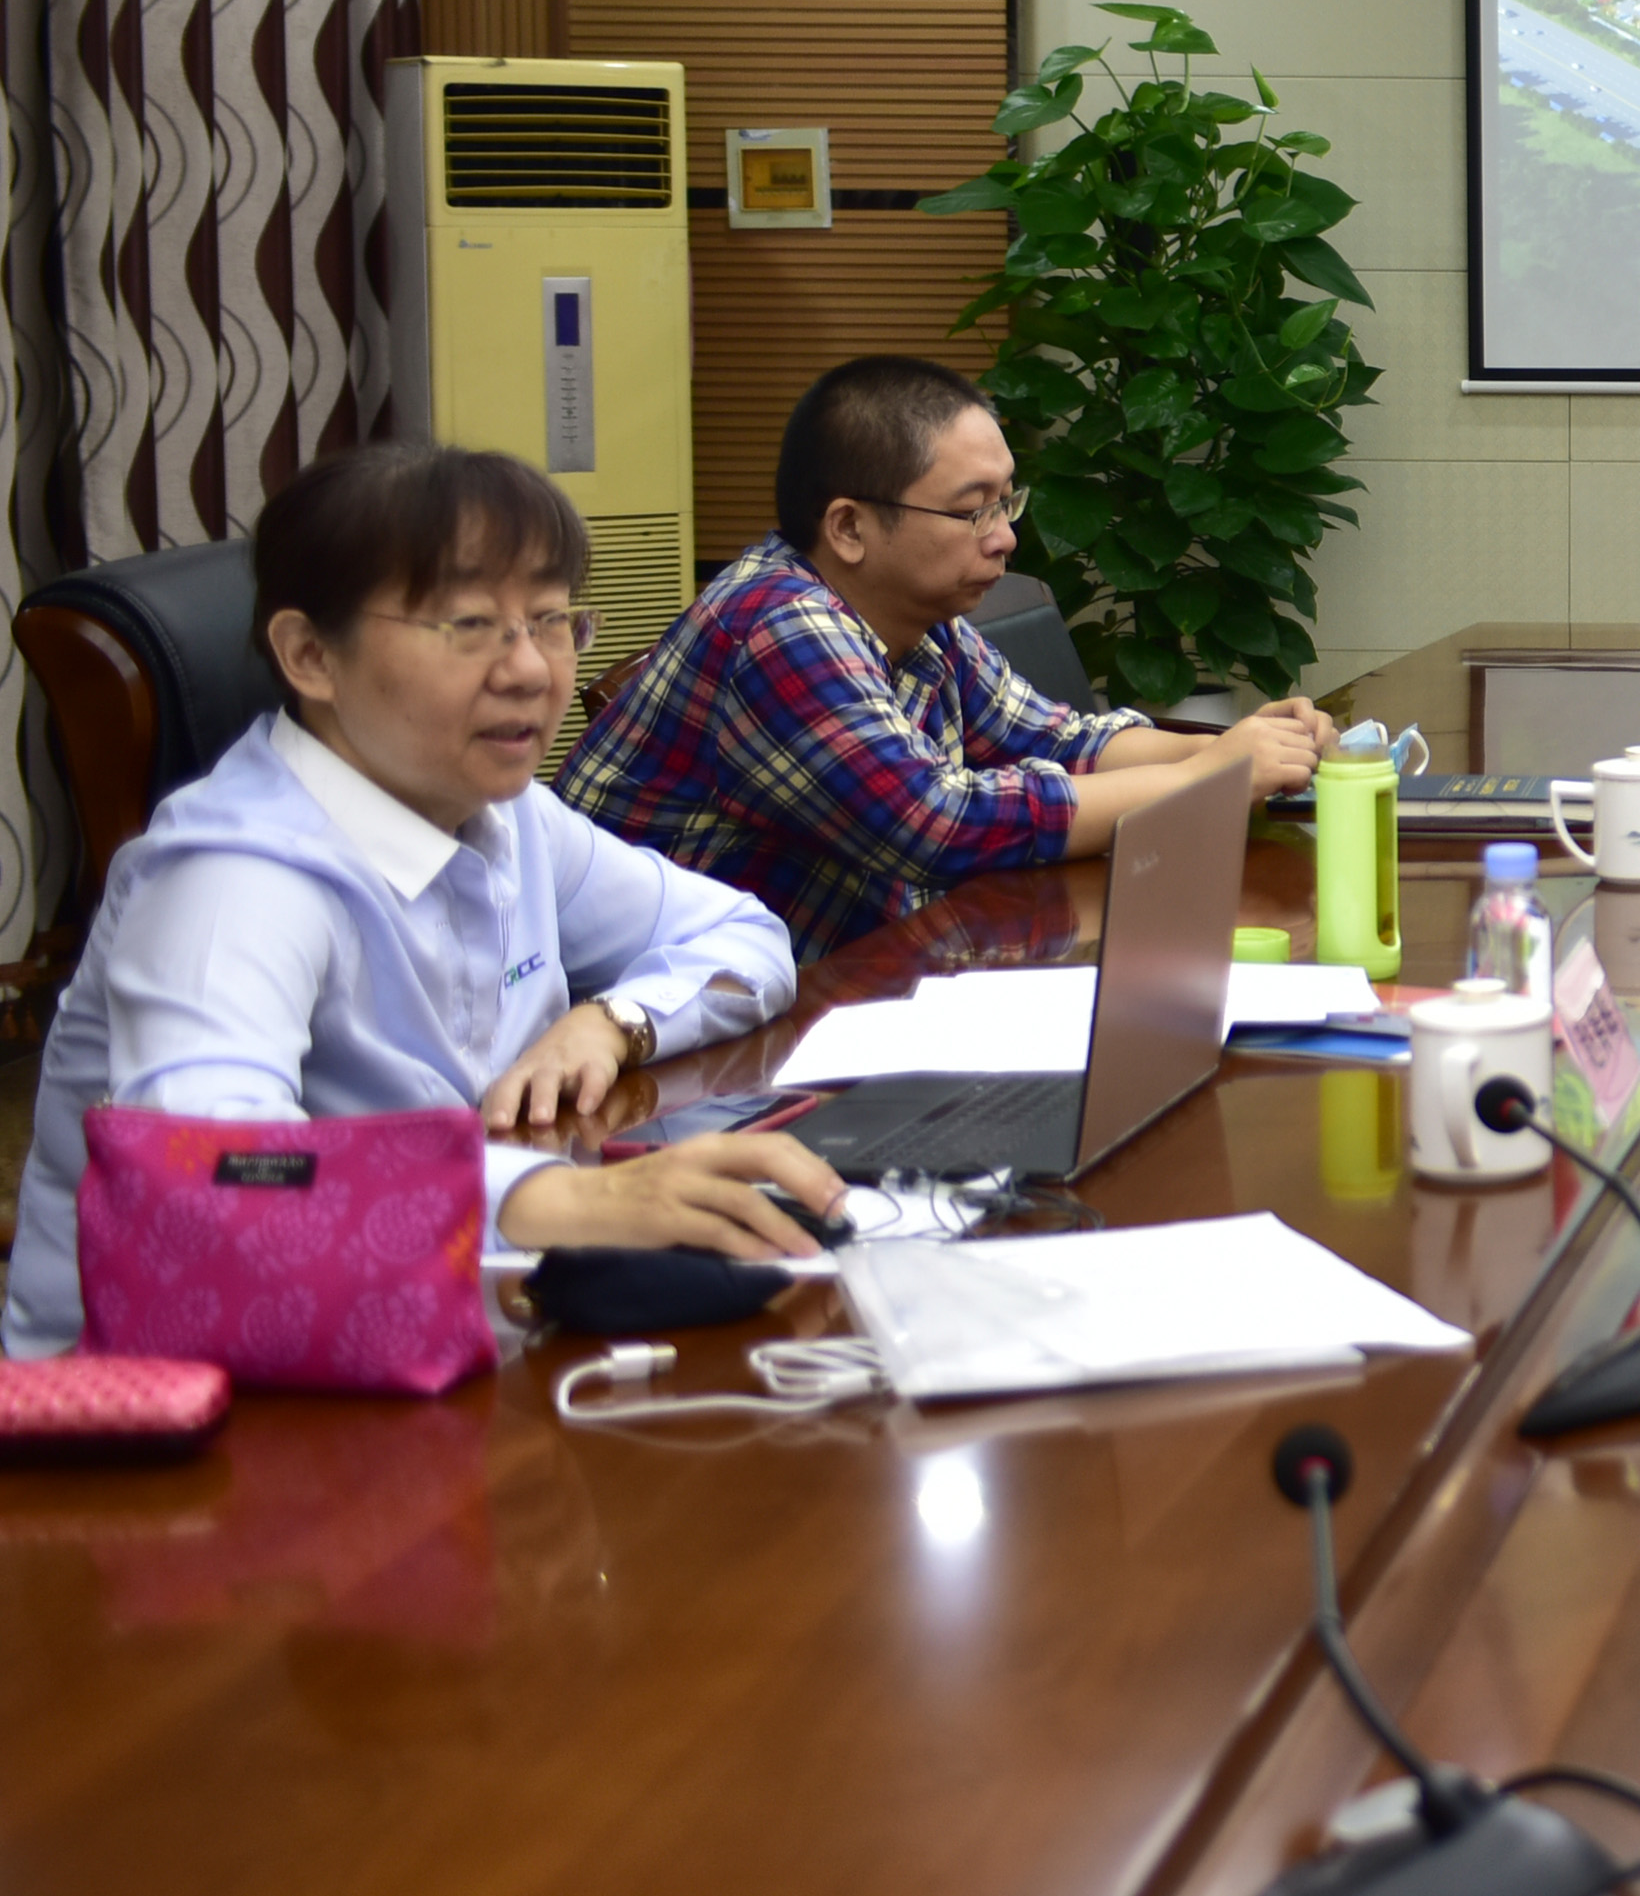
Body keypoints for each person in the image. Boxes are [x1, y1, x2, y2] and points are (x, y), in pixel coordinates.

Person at [9, 445, 835, 1358]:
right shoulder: (232, 880)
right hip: (174, 1397)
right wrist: (550, 1198)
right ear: (310, 655)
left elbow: (742, 934)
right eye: (470, 625)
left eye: (552, 620)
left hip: (453, 1318)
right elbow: (214, 1172)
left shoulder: (508, 812)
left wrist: (612, 1023)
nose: (531, 670)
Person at [561, 356, 1333, 952]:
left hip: (828, 984)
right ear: (850, 527)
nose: (1005, 536)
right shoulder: (782, 625)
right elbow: (938, 821)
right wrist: (1206, 780)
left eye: (1006, 501)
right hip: (670, 1038)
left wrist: (1255, 748)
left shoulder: (919, 616)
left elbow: (1060, 739)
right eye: (972, 511)